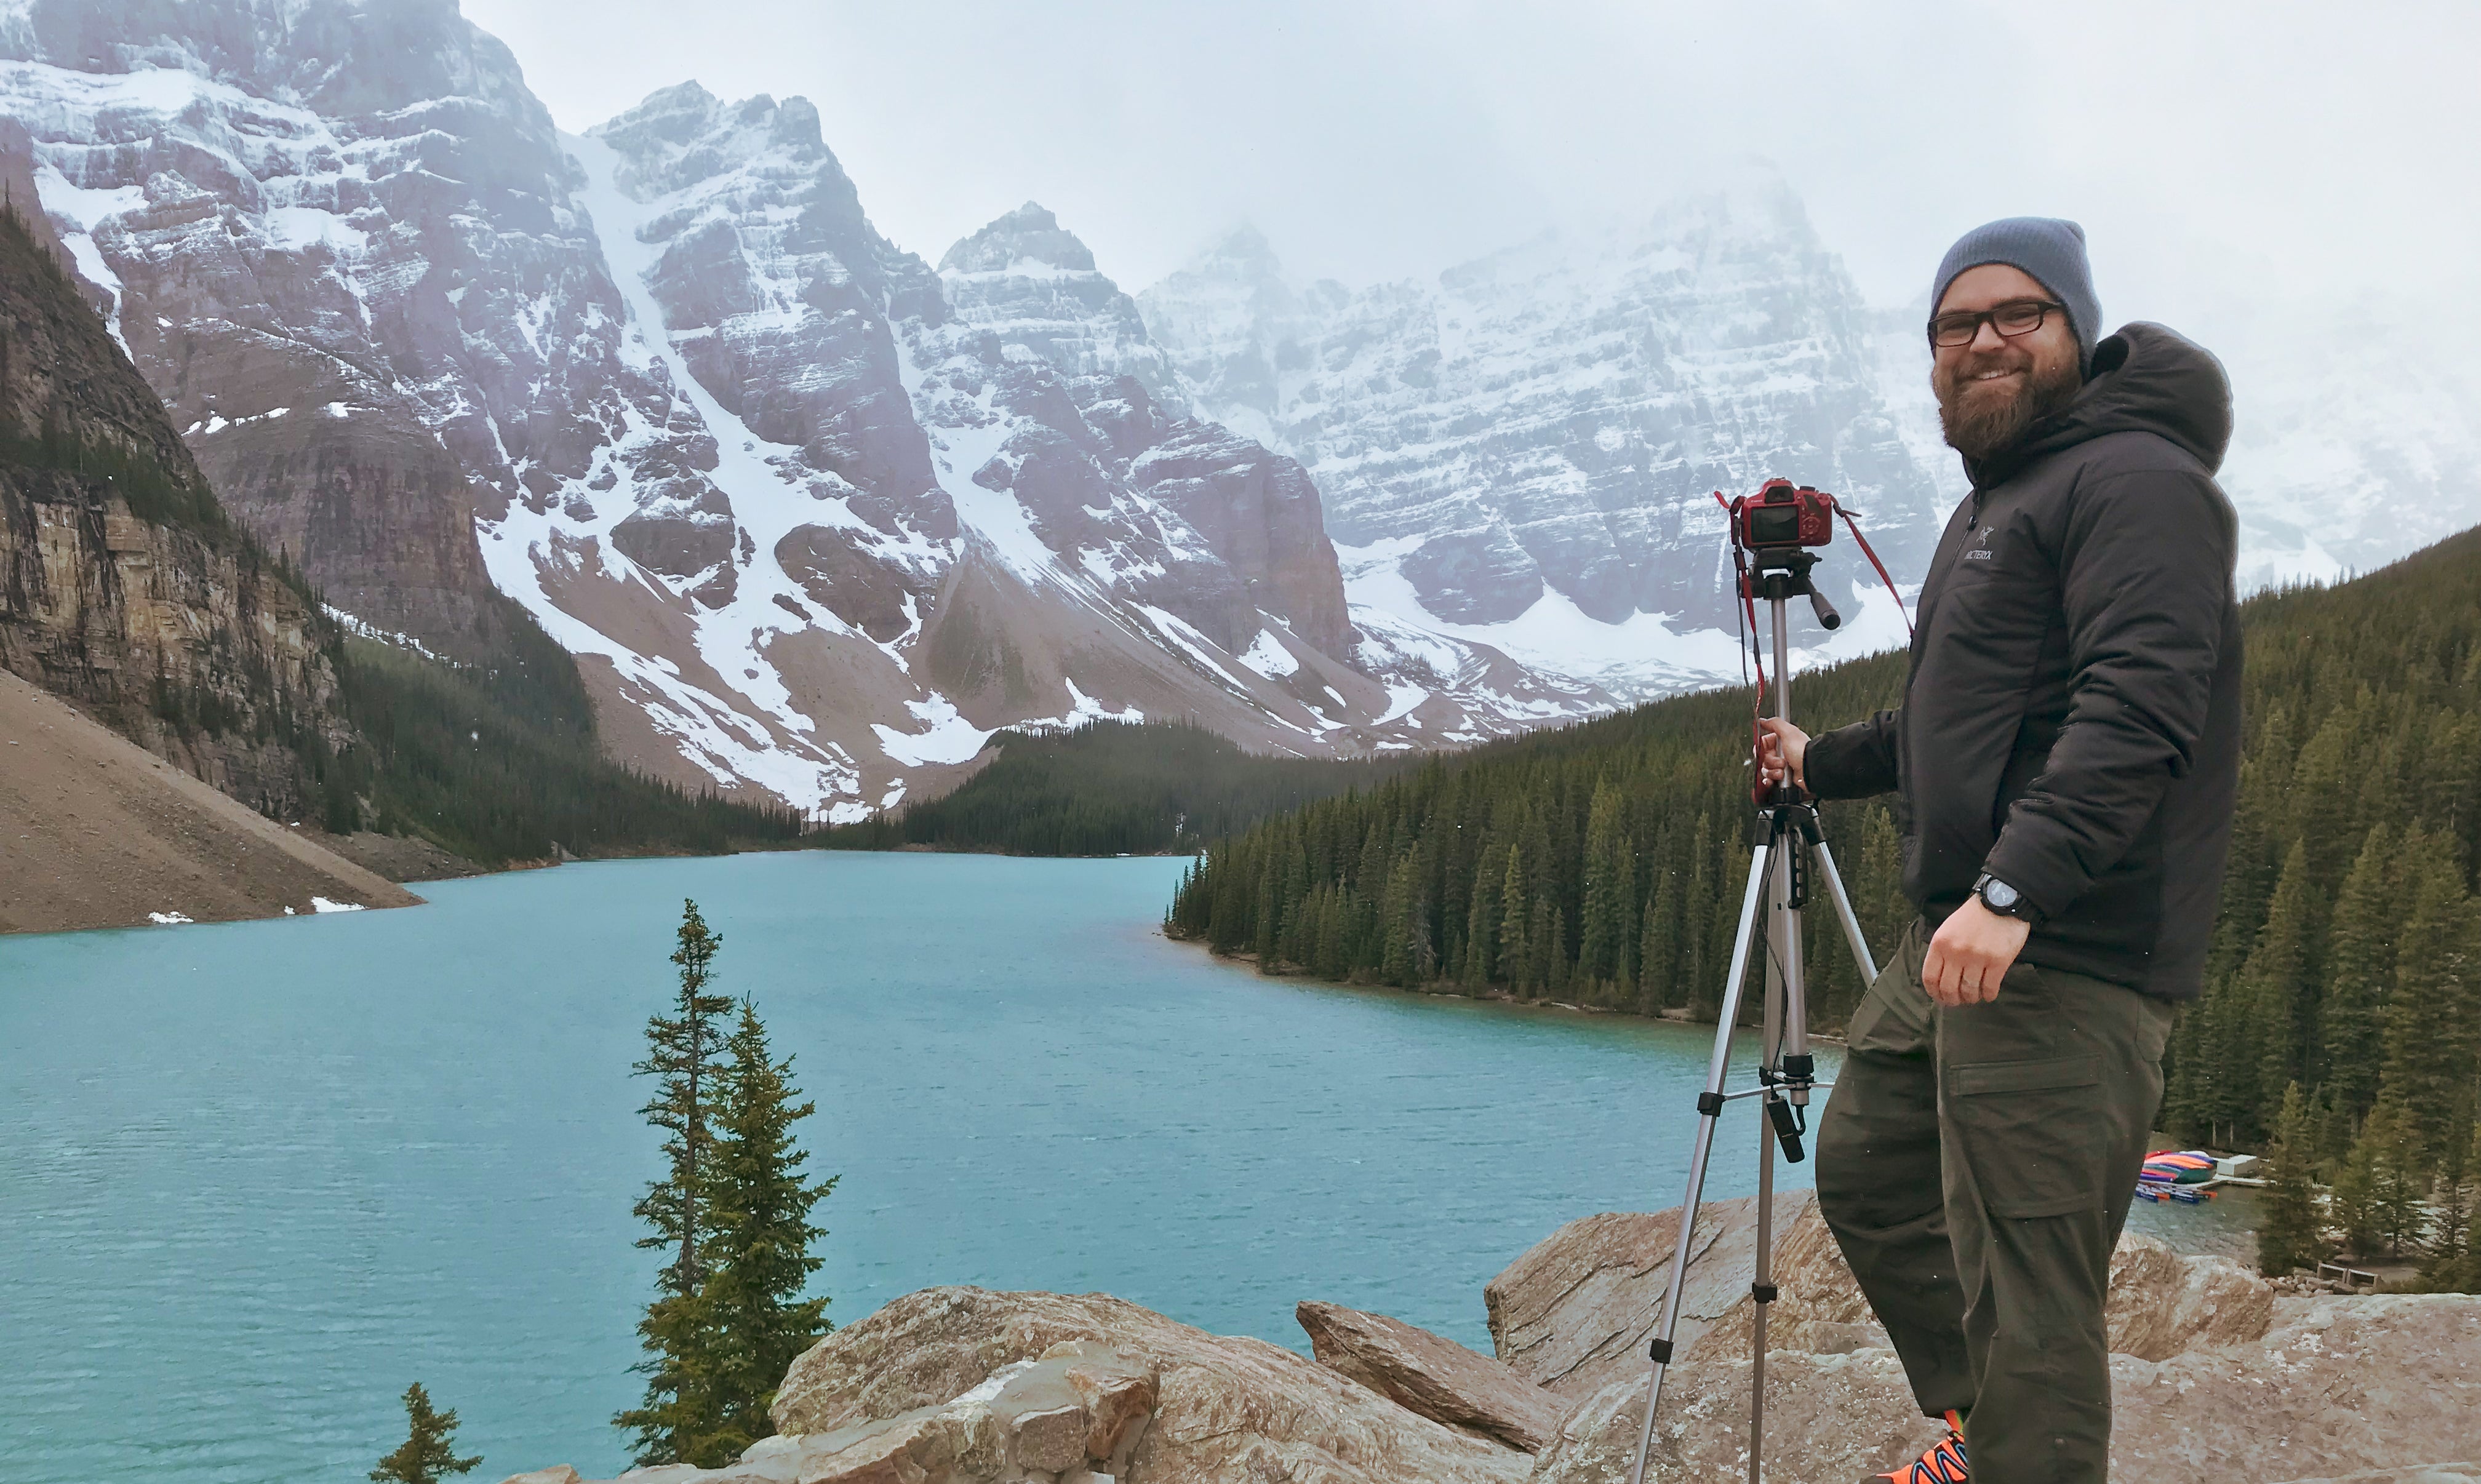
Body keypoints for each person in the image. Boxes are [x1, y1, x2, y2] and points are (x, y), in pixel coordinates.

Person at [1756, 218, 2243, 1483]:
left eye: (2019, 316)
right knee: (1865, 1171)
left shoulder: (2137, 481)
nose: (1983, 341)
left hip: (2060, 953)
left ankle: (2028, 1441)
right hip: (1958, 946)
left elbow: (2140, 708)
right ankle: (1994, 1430)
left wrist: (2017, 890)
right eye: (1955, 325)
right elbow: (1956, 723)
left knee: (2033, 1289)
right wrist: (1823, 759)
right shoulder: (1999, 501)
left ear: (2079, 332)